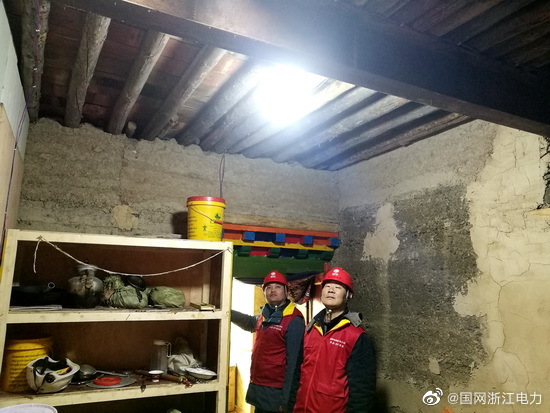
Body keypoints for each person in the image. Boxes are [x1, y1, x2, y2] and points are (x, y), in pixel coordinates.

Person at [294, 267, 376, 413]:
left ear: (349, 295)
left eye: (338, 287)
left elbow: (362, 391)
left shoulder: (356, 336)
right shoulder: (311, 329)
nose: (331, 290)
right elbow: (297, 375)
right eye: (327, 286)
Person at [231, 270, 305, 413]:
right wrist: (227, 311)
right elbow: (249, 322)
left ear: (286, 291)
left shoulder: (293, 320)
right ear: (264, 292)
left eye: (278, 287)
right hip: (259, 387)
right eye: (268, 287)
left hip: (276, 392)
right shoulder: (265, 315)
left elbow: (294, 365)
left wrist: (286, 400)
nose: (273, 290)